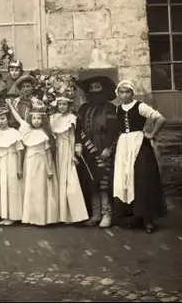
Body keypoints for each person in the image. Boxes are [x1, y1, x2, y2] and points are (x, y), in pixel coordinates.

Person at [113, 80, 167, 234]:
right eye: (121, 92)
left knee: (142, 179)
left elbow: (160, 118)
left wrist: (151, 134)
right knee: (128, 178)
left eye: (127, 92)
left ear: (132, 93)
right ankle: (137, 216)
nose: (124, 95)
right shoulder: (118, 109)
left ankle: (148, 220)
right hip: (124, 145)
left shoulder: (140, 106)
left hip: (139, 144)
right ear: (118, 93)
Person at [75, 75, 120, 229]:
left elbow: (114, 130)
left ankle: (107, 213)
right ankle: (96, 214)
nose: (94, 90)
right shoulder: (83, 108)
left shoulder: (109, 107)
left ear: (103, 89)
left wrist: (109, 148)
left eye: (97, 87)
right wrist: (78, 144)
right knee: (91, 180)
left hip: (103, 146)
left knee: (104, 181)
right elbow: (78, 129)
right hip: (87, 148)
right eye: (92, 88)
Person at [7, 100, 59, 226]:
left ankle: (41, 217)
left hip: (41, 163)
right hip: (29, 162)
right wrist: (10, 105)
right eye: (34, 118)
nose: (36, 121)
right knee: (29, 187)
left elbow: (47, 152)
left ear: (42, 120)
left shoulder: (44, 133)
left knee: (40, 187)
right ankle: (30, 216)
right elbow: (18, 118)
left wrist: (49, 169)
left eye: (39, 119)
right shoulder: (26, 128)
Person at [50, 93, 89, 224]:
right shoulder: (54, 118)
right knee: (58, 178)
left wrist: (73, 154)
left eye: (64, 104)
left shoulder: (71, 118)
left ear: (69, 105)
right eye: (60, 104)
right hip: (56, 149)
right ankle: (58, 214)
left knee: (68, 179)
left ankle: (70, 214)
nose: (62, 106)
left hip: (66, 148)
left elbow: (72, 137)